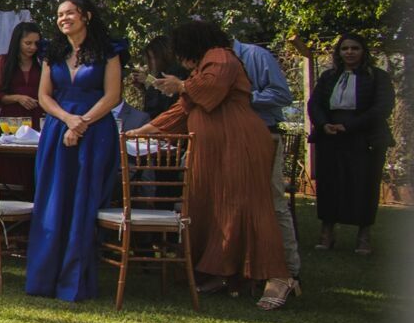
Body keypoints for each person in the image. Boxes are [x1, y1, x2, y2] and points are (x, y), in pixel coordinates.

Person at [133, 18, 290, 305]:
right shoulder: (201, 69)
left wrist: (180, 85)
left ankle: (278, 277)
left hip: (239, 144)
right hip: (213, 152)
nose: (181, 59)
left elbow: (211, 90)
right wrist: (140, 132)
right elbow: (180, 112)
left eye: (181, 52)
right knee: (213, 208)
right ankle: (222, 271)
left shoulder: (221, 58)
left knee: (249, 207)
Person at [26, 0, 122, 302]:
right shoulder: (51, 54)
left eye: (69, 13)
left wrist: (82, 123)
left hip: (95, 132)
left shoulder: (109, 52)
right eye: (59, 14)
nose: (63, 18)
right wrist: (68, 120)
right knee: (52, 201)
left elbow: (113, 95)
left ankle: (75, 280)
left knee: (82, 202)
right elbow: (43, 96)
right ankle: (44, 278)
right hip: (57, 128)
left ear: (86, 16)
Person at [308, 32, 396, 258]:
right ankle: (327, 233)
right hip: (331, 136)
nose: (349, 52)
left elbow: (382, 108)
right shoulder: (329, 77)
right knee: (329, 185)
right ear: (339, 52)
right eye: (345, 48)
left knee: (364, 185)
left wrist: (351, 126)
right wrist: (324, 124)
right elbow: (315, 103)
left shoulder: (377, 77)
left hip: (364, 138)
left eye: (354, 48)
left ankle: (363, 236)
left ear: (363, 51)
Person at [230, 29, 303, 282]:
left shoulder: (256, 55)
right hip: (234, 138)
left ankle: (289, 270)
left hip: (264, 134)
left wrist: (245, 98)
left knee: (272, 201)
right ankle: (245, 267)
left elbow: (283, 95)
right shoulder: (216, 62)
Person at [0, 20, 43, 197]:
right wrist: (18, 98)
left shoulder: (42, 64)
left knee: (33, 164)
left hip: (35, 118)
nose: (32, 47)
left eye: (36, 43)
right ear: (17, 41)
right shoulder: (4, 61)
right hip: (11, 119)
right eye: (28, 43)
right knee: (9, 164)